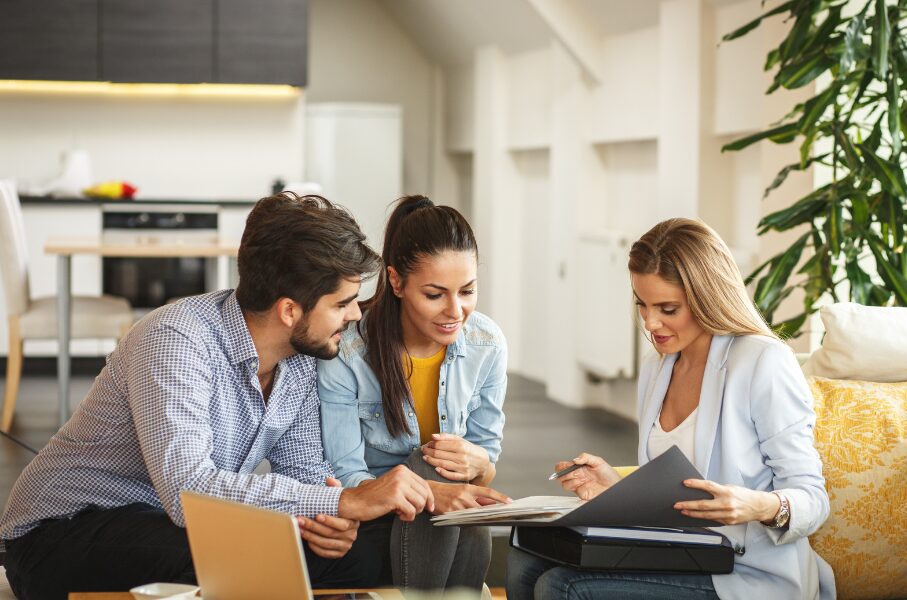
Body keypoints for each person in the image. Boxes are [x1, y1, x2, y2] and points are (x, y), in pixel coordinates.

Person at [0, 193, 436, 600]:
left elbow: (305, 471)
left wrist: (329, 520)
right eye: (342, 303)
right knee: (248, 553)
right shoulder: (175, 339)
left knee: (359, 552)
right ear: (289, 310)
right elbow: (188, 491)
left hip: (171, 522)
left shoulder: (302, 358)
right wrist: (343, 501)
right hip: (60, 533)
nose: (355, 314)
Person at [507, 218, 834, 600]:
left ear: (706, 297)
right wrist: (618, 487)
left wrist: (756, 505)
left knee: (563, 587)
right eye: (641, 304)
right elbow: (674, 493)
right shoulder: (658, 365)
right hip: (683, 554)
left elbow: (814, 499)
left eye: (667, 308)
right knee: (523, 560)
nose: (650, 322)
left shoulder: (763, 362)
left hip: (747, 573)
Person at [318, 195, 509, 594]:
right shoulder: (349, 353)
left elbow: (485, 466)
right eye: (436, 295)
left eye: (468, 291)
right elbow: (346, 475)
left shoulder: (487, 344)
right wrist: (429, 491)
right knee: (426, 466)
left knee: (452, 480)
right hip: (377, 512)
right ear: (397, 281)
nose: (455, 311)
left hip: (449, 520)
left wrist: (478, 463)